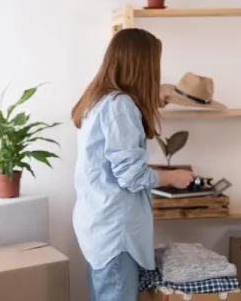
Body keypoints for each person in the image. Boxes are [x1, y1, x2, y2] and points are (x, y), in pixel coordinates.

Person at [70, 28, 196, 301]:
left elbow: (113, 164)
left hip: (98, 224)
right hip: (116, 232)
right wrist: (174, 177)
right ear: (143, 64)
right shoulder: (120, 105)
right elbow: (131, 176)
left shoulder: (98, 100)